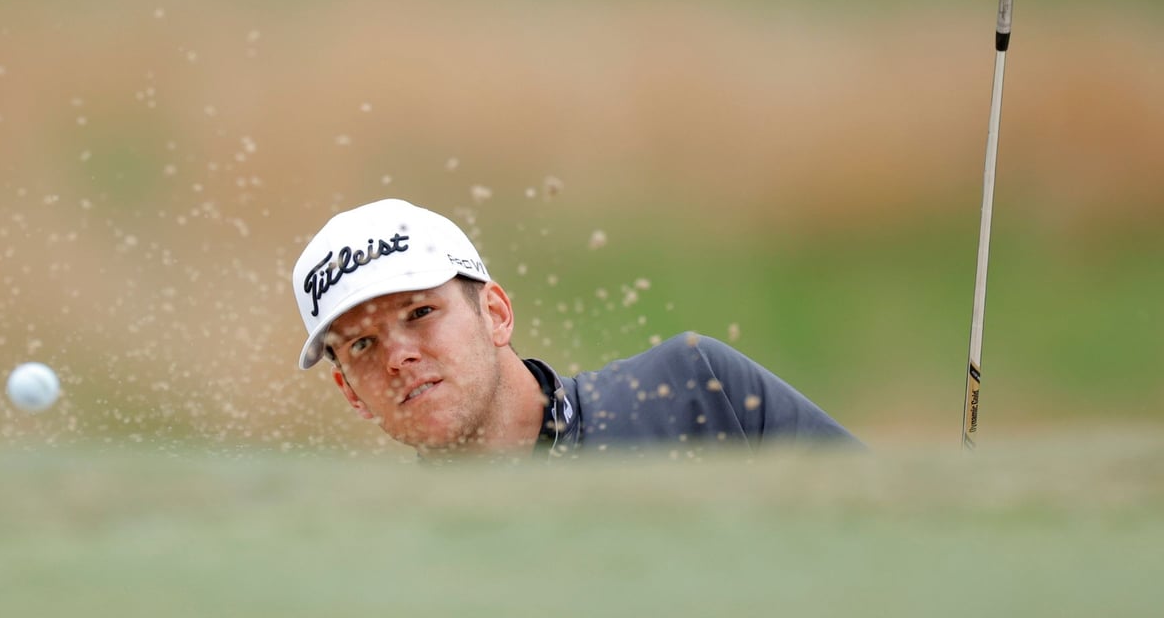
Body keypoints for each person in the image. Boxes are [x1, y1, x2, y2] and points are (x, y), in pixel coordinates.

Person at [291, 198, 862, 459]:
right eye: (362, 344)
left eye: (420, 313)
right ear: (351, 392)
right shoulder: (400, 570)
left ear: (495, 314)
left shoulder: (694, 392)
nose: (397, 358)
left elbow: (885, 543)